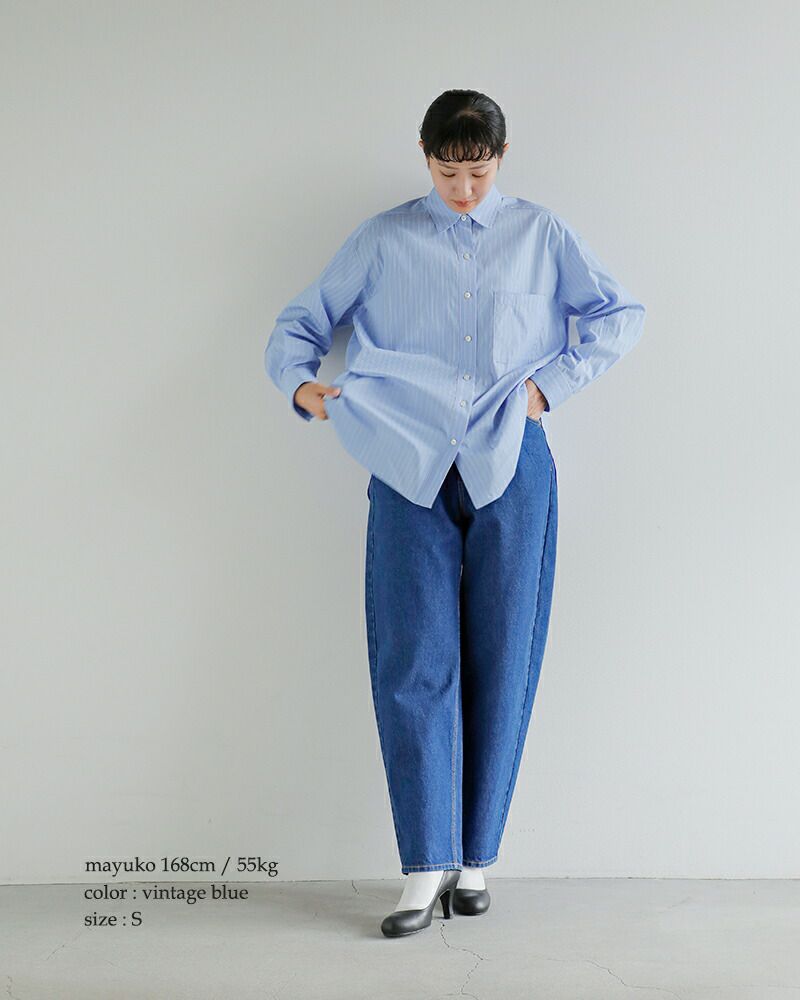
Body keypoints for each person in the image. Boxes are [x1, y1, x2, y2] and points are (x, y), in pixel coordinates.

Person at [264, 89, 646, 938]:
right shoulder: (382, 238)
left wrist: (548, 387)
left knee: (506, 654)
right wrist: (302, 386)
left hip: (513, 459)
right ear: (426, 157)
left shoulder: (542, 234)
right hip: (404, 459)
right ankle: (423, 864)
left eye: (477, 173)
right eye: (447, 172)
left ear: (500, 158)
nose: (463, 189)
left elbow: (620, 315)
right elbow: (299, 325)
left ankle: (475, 861)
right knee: (412, 657)